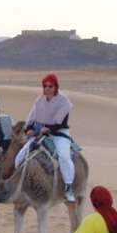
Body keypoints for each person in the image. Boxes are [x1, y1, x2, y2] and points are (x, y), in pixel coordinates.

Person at [14, 74, 76, 202]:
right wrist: (29, 129)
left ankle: (69, 187)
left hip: (58, 134)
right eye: (45, 86)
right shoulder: (39, 100)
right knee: (20, 156)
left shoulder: (63, 101)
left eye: (50, 86)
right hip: (40, 132)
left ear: (56, 87)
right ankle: (19, 184)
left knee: (64, 157)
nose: (47, 89)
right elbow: (31, 118)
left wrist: (47, 129)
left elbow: (60, 123)